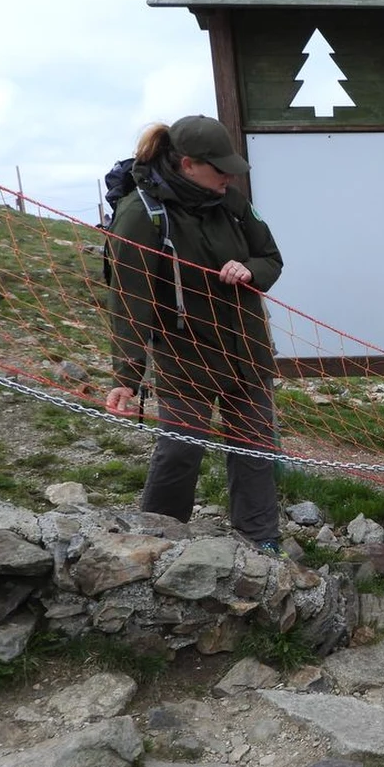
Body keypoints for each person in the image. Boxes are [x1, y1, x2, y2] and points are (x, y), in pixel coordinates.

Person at [104, 115, 285, 555]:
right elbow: (129, 299)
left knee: (256, 447)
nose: (229, 177)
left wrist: (250, 270)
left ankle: (260, 540)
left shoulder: (230, 201)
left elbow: (270, 257)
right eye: (220, 169)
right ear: (188, 164)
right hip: (185, 355)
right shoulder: (141, 215)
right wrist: (127, 376)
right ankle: (157, 539)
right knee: (180, 451)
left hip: (247, 349)